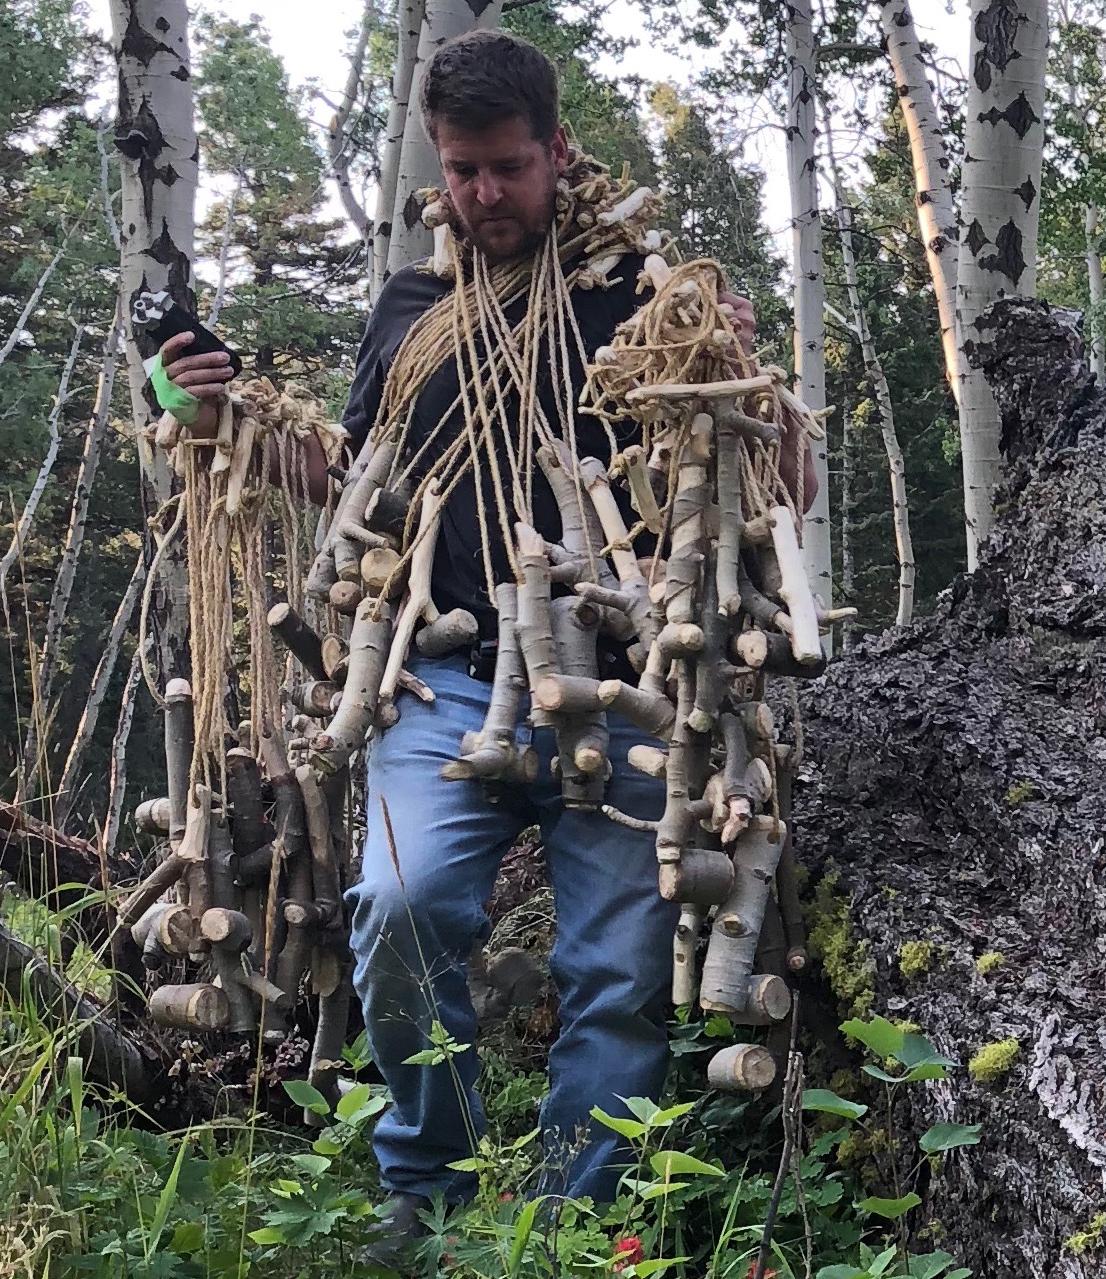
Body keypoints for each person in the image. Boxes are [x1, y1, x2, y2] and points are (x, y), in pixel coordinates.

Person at [156, 28, 815, 1261]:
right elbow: (355, 483)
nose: (483, 196)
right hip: (444, 679)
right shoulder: (412, 313)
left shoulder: (648, 293)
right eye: (461, 170)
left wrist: (741, 383)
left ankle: (577, 1221)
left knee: (616, 970)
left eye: (507, 167)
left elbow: (791, 482)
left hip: (628, 689)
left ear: (557, 152)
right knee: (398, 908)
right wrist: (215, 414)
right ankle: (428, 1191)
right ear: (435, 164)